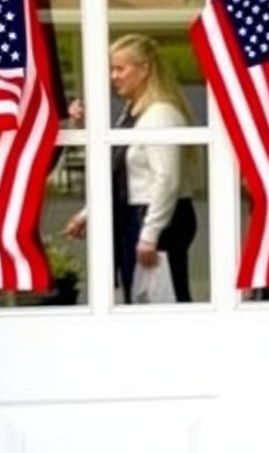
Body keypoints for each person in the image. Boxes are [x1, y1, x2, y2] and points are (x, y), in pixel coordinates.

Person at [64, 34, 197, 302]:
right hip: (137, 216)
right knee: (141, 302)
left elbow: (166, 180)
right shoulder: (134, 112)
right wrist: (88, 213)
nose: (113, 76)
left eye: (120, 68)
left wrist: (150, 235)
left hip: (157, 220)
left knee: (163, 303)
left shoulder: (161, 115)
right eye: (112, 69)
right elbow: (119, 169)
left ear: (145, 69)